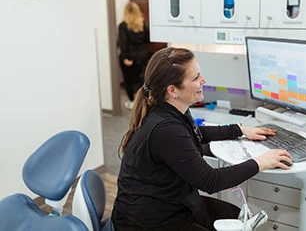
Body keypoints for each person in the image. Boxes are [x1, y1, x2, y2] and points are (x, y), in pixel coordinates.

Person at [111, 47, 292, 231]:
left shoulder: (172, 109)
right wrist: (261, 162)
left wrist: (239, 129)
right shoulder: (166, 130)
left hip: (171, 201)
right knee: (235, 223)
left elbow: (195, 133)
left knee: (234, 215)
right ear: (173, 90)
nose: (203, 80)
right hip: (147, 222)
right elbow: (211, 181)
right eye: (196, 78)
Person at [118, 1, 150, 109]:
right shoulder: (142, 24)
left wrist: (125, 57)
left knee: (128, 80)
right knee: (141, 79)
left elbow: (123, 43)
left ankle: (132, 101)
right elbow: (147, 40)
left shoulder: (123, 26)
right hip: (142, 56)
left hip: (130, 57)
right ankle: (141, 102)